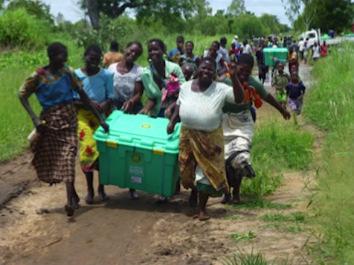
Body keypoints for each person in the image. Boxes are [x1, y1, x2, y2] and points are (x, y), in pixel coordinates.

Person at [18, 42, 109, 216]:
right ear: (52, 56)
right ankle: (73, 194)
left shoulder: (68, 72)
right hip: (50, 123)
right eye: (62, 55)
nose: (65, 58)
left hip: (70, 120)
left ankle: (69, 202)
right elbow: (22, 95)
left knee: (68, 157)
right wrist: (34, 118)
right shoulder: (38, 75)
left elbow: (84, 96)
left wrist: (100, 119)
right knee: (58, 158)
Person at [167, 57, 244, 221]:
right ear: (197, 69)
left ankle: (202, 209)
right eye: (203, 68)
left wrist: (234, 77)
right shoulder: (186, 87)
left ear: (214, 73)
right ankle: (194, 192)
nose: (206, 72)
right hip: (187, 135)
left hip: (209, 138)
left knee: (206, 172)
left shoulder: (221, 89)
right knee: (186, 171)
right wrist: (173, 121)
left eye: (210, 69)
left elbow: (239, 99)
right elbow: (179, 105)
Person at [222, 54, 290, 203]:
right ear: (235, 66)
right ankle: (226, 192)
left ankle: (236, 193)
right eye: (241, 70)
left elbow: (268, 97)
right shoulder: (225, 81)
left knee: (240, 156)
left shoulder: (253, 83)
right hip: (224, 120)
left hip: (243, 120)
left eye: (247, 72)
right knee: (225, 159)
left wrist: (282, 110)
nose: (244, 74)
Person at [74, 45, 114, 205]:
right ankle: (90, 189)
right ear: (85, 57)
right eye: (91, 59)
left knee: (103, 150)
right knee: (88, 148)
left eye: (97, 60)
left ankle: (101, 188)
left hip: (102, 115)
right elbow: (73, 99)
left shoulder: (106, 75)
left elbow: (111, 97)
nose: (93, 63)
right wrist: (89, 103)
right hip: (83, 115)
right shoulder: (76, 75)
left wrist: (103, 105)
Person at [108, 41, 144, 200]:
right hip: (114, 111)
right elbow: (107, 89)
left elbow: (138, 93)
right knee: (111, 145)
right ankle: (104, 185)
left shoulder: (138, 71)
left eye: (136, 53)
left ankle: (132, 186)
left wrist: (131, 102)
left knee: (132, 149)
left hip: (132, 111)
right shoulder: (111, 68)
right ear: (125, 49)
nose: (132, 54)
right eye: (131, 50)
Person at [140, 39, 185, 118]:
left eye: (156, 49)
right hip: (156, 113)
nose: (153, 52)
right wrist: (146, 109)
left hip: (175, 112)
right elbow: (153, 98)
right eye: (150, 50)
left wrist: (171, 107)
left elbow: (184, 92)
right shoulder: (145, 74)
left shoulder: (174, 68)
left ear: (163, 51)